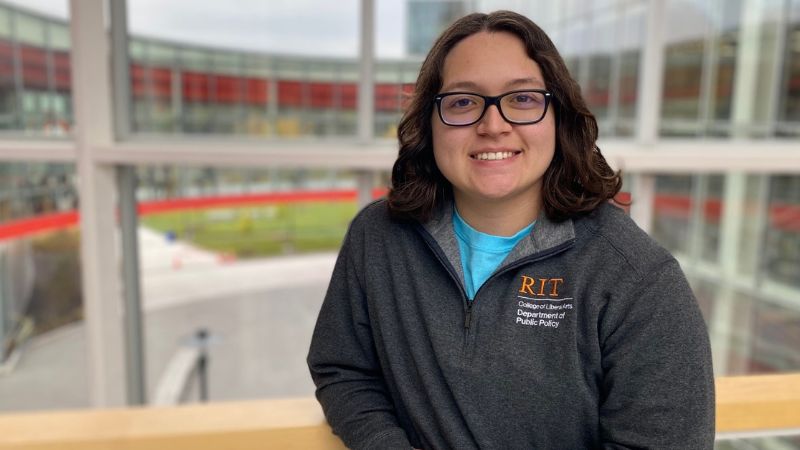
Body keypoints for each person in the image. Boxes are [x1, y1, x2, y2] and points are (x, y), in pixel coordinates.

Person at [307, 10, 714, 450]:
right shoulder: (378, 237)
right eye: (463, 102)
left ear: (559, 117)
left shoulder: (638, 278)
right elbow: (344, 370)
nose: (493, 125)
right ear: (430, 122)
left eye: (522, 99)